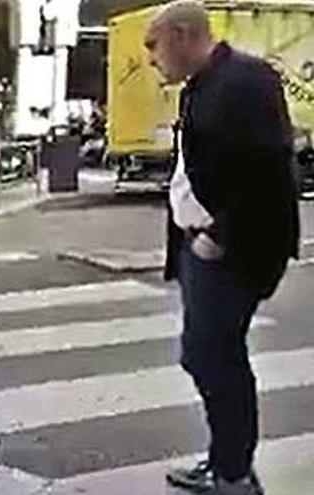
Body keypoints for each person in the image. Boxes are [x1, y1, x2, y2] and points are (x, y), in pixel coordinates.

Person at [145, 2, 299, 494]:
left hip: (234, 252)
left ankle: (234, 473)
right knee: (208, 355)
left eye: (154, 44)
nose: (150, 57)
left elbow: (269, 170)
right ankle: (225, 462)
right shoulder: (203, 85)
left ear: (184, 35)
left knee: (214, 356)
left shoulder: (247, 80)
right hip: (202, 248)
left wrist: (220, 236)